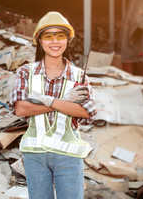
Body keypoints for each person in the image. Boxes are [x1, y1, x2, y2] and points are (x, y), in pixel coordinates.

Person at [8, 11, 97, 199]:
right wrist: (62, 102)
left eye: (60, 35)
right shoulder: (26, 72)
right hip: (35, 157)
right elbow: (20, 108)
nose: (55, 41)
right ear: (40, 41)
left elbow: (87, 112)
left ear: (68, 40)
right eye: (49, 36)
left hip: (69, 156)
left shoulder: (79, 75)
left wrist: (44, 100)